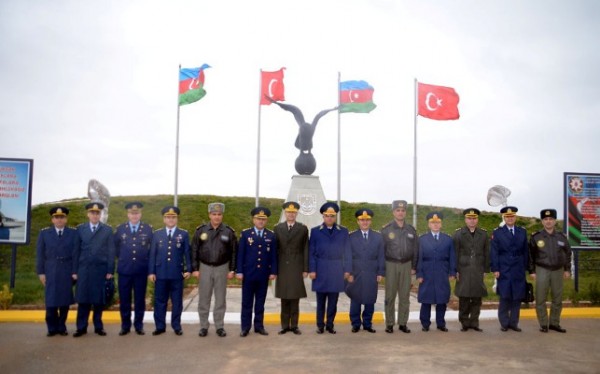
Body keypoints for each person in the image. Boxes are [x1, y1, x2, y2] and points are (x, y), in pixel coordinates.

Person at [192, 202, 237, 338]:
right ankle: (204, 326)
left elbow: (234, 252)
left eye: (219, 214)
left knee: (220, 299)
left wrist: (232, 269)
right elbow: (194, 249)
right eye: (214, 214)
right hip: (204, 267)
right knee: (204, 298)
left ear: (222, 215)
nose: (216, 217)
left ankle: (219, 326)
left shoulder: (229, 232)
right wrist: (195, 268)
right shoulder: (201, 231)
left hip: (222, 268)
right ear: (209, 215)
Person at [73, 202, 116, 337]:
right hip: (84, 270)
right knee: (83, 300)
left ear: (100, 215)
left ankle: (98, 327)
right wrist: (74, 271)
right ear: (88, 214)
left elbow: (111, 252)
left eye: (97, 213)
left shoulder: (107, 230)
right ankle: (81, 327)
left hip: (100, 270)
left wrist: (110, 270)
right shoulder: (80, 229)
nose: (95, 215)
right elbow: (76, 251)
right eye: (92, 213)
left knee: (98, 300)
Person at [309, 202, 352, 334]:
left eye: (332, 216)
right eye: (327, 215)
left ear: (335, 217)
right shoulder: (315, 231)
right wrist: (312, 269)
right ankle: (320, 325)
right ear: (323, 216)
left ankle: (330, 325)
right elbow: (311, 253)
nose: (329, 218)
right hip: (321, 268)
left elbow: (348, 252)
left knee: (333, 301)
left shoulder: (343, 231)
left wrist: (347, 270)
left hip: (336, 269)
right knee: (320, 301)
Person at [148, 206, 192, 336]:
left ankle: (176, 326)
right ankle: (160, 326)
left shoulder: (183, 234)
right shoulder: (157, 234)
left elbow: (187, 253)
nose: (171, 219)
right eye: (168, 217)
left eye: (173, 217)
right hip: (160, 274)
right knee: (160, 301)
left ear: (176, 218)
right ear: (164, 219)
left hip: (176, 274)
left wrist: (188, 269)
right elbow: (152, 255)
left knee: (177, 302)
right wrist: (151, 272)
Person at [236, 207, 278, 337]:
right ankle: (245, 327)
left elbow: (273, 256)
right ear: (253, 219)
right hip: (248, 274)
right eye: (258, 219)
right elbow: (240, 254)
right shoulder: (246, 234)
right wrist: (239, 271)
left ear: (266, 221)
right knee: (247, 302)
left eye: (263, 219)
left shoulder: (271, 235)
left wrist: (273, 271)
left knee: (260, 302)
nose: (261, 221)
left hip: (263, 275)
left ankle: (259, 326)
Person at [529, 209, 572, 333]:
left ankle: (554, 323)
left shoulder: (561, 237)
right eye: (546, 219)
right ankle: (543, 324)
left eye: (551, 219)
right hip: (542, 269)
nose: (548, 221)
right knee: (541, 298)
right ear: (542, 221)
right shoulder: (536, 237)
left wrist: (567, 269)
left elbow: (568, 253)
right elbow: (531, 255)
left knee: (557, 298)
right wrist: (532, 270)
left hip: (558, 270)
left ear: (555, 221)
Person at [36, 206, 77, 337]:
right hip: (51, 270)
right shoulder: (44, 233)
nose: (59, 220)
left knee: (64, 301)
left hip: (67, 270)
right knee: (51, 301)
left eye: (62, 217)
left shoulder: (73, 233)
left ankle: (62, 326)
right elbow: (40, 255)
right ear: (52, 219)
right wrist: (41, 273)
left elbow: (76, 254)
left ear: (66, 219)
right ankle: (51, 327)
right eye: (56, 217)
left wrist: (75, 271)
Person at [114, 202, 153, 336]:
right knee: (124, 299)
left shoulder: (148, 229)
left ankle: (138, 325)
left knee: (139, 299)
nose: (134, 215)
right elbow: (116, 249)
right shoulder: (120, 229)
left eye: (137, 213)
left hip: (141, 270)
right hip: (125, 270)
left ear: (140, 214)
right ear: (128, 214)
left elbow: (151, 250)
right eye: (132, 213)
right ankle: (125, 326)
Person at [381, 200, 418, 334]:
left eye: (403, 210)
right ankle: (389, 323)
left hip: (406, 265)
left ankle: (403, 323)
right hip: (391, 264)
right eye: (398, 210)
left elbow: (415, 249)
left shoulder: (411, 230)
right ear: (393, 212)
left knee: (404, 296)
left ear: (405, 212)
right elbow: (382, 250)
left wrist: (414, 266)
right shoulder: (386, 230)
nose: (400, 213)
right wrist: (382, 267)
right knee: (390, 296)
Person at [491, 206, 529, 332]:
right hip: (504, 267)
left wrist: (526, 267)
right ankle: (504, 323)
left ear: (515, 217)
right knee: (505, 296)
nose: (510, 218)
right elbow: (494, 252)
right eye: (507, 217)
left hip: (518, 267)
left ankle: (514, 323)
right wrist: (495, 268)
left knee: (517, 297)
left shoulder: (522, 232)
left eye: (512, 216)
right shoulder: (497, 232)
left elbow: (525, 251)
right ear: (504, 218)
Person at [417, 212, 456, 332]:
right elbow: (419, 258)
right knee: (426, 299)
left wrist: (452, 272)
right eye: (433, 222)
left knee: (442, 299)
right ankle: (425, 323)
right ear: (429, 224)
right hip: (427, 271)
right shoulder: (422, 239)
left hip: (442, 271)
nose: (435, 225)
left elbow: (452, 257)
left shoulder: (448, 239)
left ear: (441, 224)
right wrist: (419, 273)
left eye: (437, 222)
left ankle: (441, 323)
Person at [273, 201, 309, 335]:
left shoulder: (303, 228)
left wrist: (305, 268)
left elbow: (306, 249)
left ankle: (294, 325)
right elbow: (274, 250)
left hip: (296, 265)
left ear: (297, 213)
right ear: (285, 213)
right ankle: (284, 326)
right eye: (289, 212)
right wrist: (274, 269)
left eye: (293, 212)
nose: (291, 214)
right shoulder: (278, 228)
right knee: (284, 298)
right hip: (282, 266)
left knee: (294, 298)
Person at [347, 209, 385, 333]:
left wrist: (380, 272)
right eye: (362, 220)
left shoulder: (378, 237)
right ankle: (355, 323)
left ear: (370, 221)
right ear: (358, 221)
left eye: (367, 220)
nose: (365, 222)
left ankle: (368, 323)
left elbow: (381, 256)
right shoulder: (351, 237)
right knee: (356, 298)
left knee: (370, 299)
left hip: (371, 272)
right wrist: (349, 273)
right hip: (356, 273)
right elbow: (347, 256)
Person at [453, 208, 490, 332]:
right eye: (469, 218)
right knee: (463, 297)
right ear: (465, 219)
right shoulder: (458, 234)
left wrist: (485, 269)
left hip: (478, 269)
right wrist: (455, 270)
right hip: (463, 269)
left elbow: (486, 253)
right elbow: (455, 253)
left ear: (477, 219)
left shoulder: (483, 234)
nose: (472, 221)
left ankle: (474, 322)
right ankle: (464, 322)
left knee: (476, 297)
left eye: (474, 218)